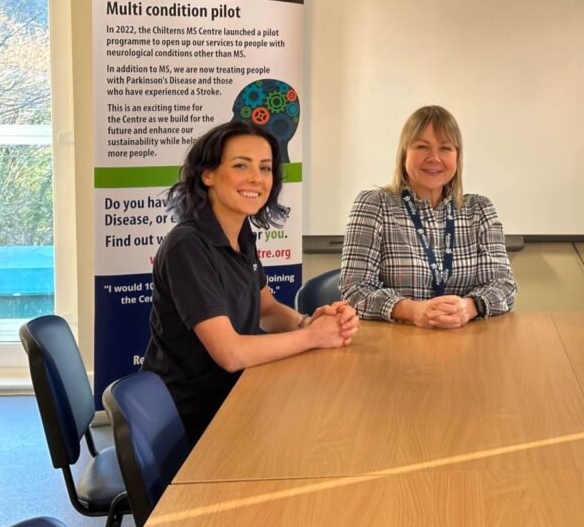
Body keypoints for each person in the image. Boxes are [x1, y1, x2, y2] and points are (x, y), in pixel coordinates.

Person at [143, 121, 358, 443]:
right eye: (241, 165)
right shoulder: (187, 246)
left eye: (266, 167)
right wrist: (314, 337)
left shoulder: (240, 233)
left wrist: (307, 322)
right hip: (191, 422)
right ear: (208, 174)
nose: (257, 178)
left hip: (235, 396)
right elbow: (230, 353)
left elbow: (266, 308)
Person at [341, 105, 517, 327]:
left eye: (445, 148)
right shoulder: (374, 205)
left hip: (466, 341)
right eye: (422, 147)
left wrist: (470, 307)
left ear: (457, 157)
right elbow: (354, 290)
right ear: (404, 154)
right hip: (395, 343)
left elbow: (504, 286)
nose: (434, 158)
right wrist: (412, 310)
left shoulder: (480, 210)